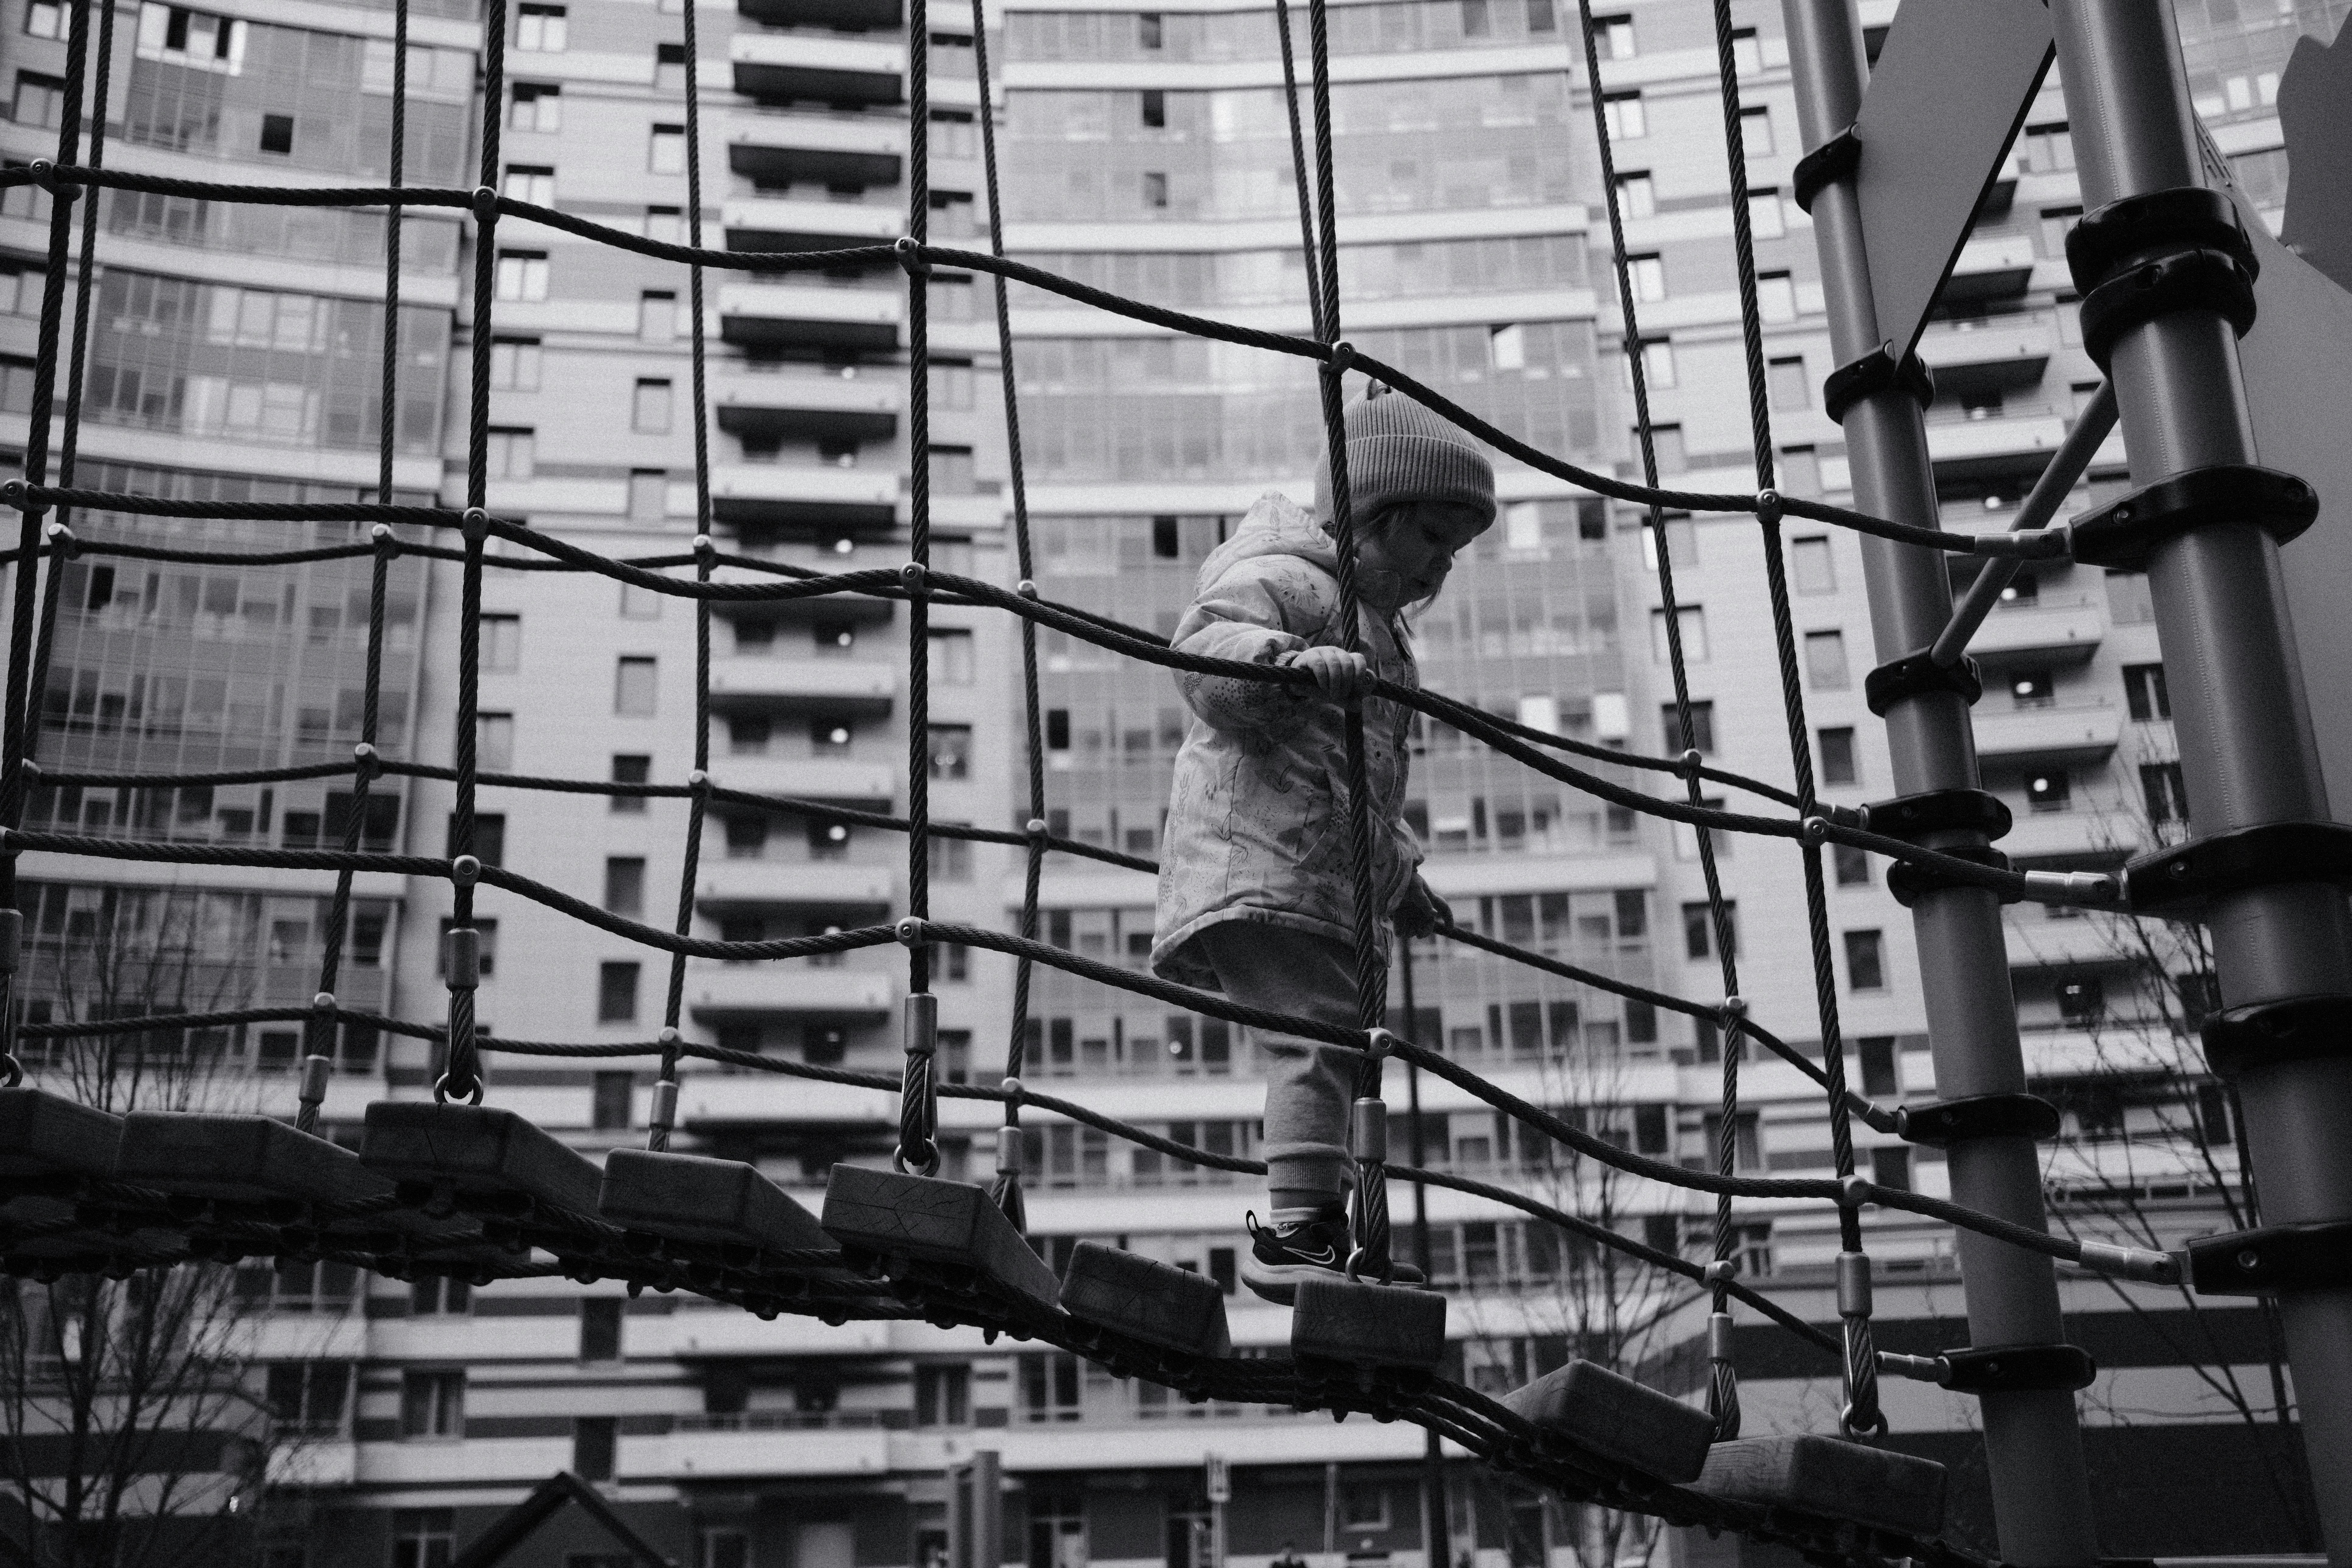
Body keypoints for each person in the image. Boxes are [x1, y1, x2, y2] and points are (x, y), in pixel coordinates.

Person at [1150, 384, 1495, 1303]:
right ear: (1371, 514)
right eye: (1428, 539)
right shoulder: (1293, 578)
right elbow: (1204, 654)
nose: (1439, 570)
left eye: (1453, 555)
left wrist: (1402, 873)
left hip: (1313, 874)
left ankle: (1324, 1228)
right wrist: (1287, 669)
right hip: (1256, 861)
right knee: (1315, 1040)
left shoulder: (1381, 635)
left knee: (1340, 1044)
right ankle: (1297, 1234)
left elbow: (1359, 782)